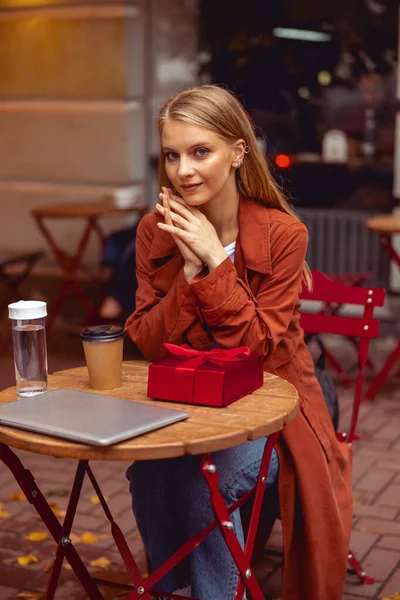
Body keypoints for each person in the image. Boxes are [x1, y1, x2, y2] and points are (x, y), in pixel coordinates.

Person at [124, 84, 352, 600]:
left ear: (238, 152)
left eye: (201, 151)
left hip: (274, 406)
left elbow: (261, 351)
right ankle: (176, 581)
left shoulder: (284, 235)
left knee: (205, 487)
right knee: (148, 477)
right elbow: (146, 342)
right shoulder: (153, 231)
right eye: (173, 154)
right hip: (191, 401)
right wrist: (186, 272)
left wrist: (214, 261)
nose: (183, 170)